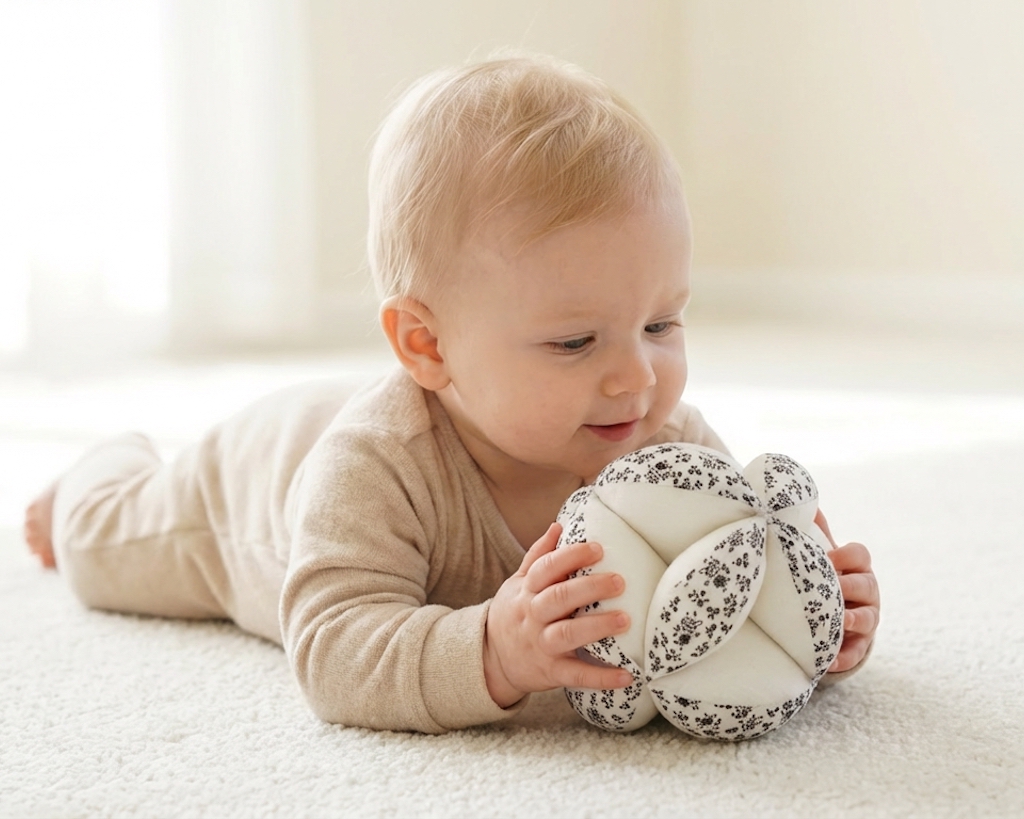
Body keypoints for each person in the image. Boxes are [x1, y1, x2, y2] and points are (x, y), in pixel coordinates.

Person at [23, 53, 879, 734]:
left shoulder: (665, 441)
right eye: (576, 341)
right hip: (240, 487)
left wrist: (812, 614)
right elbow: (332, 651)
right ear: (426, 346)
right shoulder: (374, 467)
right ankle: (102, 468)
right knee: (99, 548)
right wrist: (495, 650)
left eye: (662, 323)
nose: (638, 377)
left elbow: (735, 577)